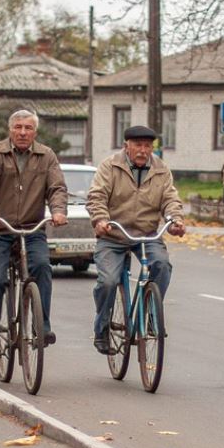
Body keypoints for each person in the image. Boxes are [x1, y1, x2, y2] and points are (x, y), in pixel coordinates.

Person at [0, 109, 68, 370]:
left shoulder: (46, 155)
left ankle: (42, 325)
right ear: (10, 130)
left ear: (35, 132)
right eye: (18, 127)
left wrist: (58, 211)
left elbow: (57, 187)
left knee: (41, 266)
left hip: (31, 228)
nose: (23, 132)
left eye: (28, 128)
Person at [86, 124, 186, 354]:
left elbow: (170, 199)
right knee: (109, 281)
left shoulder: (161, 170)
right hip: (113, 233)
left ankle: (151, 315)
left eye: (147, 146)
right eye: (138, 145)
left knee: (161, 264)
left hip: (147, 234)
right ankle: (101, 327)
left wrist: (175, 220)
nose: (143, 150)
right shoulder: (110, 166)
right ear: (126, 146)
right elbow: (97, 196)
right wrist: (100, 220)